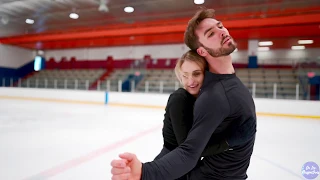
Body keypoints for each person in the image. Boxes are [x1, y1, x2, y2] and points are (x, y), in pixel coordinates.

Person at [110, 8, 257, 180]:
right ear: (202, 51)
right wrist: (144, 172)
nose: (222, 32)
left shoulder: (222, 85)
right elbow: (188, 152)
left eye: (220, 26)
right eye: (211, 34)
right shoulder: (214, 96)